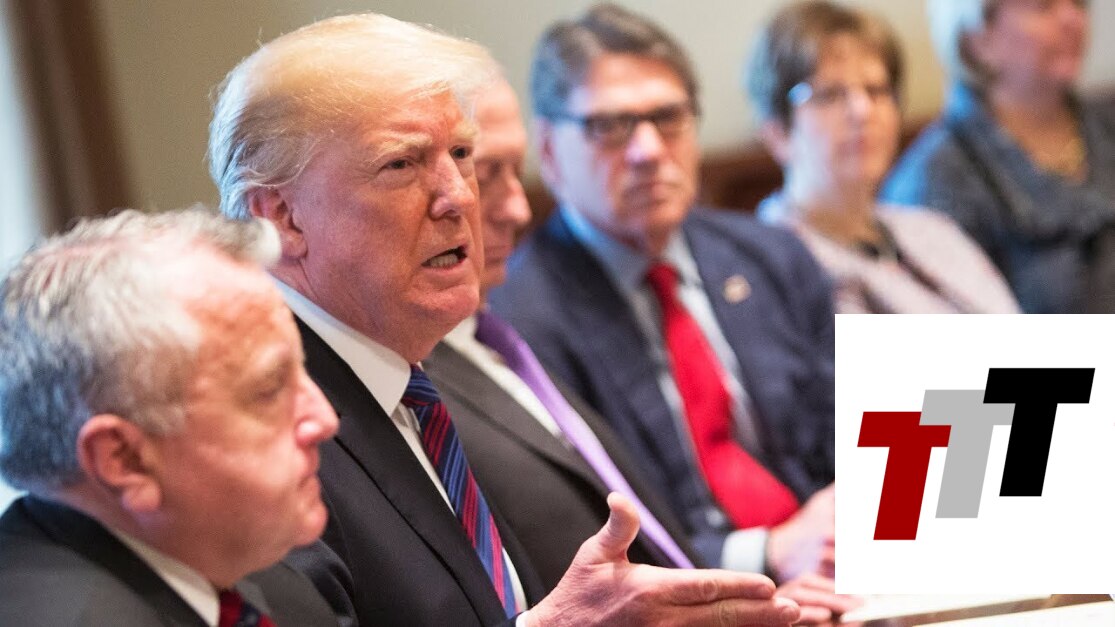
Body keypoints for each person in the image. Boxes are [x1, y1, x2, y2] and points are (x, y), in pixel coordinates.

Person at [209, 12, 801, 627]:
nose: (461, 195)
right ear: (283, 218)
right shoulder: (250, 431)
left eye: (461, 153)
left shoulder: (415, 371)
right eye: (402, 164)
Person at [491, 3, 836, 585]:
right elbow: (584, 539)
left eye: (669, 117)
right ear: (548, 150)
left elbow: (851, 428)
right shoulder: (520, 326)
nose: (649, 150)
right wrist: (767, 553)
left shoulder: (771, 256)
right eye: (610, 126)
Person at [0, 209, 340, 626]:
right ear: (125, 459)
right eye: (269, 389)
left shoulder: (264, 583)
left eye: (302, 371)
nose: (324, 419)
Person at [746, 0, 1019, 313]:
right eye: (830, 94)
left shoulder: (933, 230)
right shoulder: (770, 266)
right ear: (777, 132)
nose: (862, 111)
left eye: (876, 91)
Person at [882, 0, 1115, 313]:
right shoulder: (935, 179)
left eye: (1078, 3)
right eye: (1044, 6)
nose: (1073, 19)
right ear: (979, 40)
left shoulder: (1106, 122)